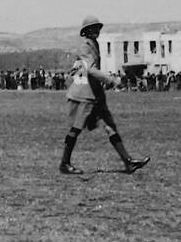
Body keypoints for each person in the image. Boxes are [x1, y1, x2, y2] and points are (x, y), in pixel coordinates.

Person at [61, 16, 150, 175]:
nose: (97, 31)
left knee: (110, 127)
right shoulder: (85, 47)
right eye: (93, 28)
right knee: (76, 129)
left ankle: (128, 162)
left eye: (98, 28)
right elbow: (91, 69)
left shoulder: (94, 44)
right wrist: (112, 80)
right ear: (86, 31)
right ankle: (64, 163)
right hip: (84, 95)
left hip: (95, 95)